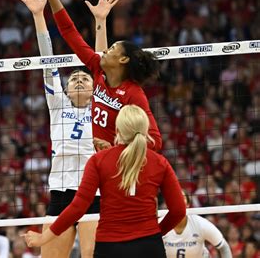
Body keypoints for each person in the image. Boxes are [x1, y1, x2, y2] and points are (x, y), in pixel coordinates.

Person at [33, 0, 162, 152]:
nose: (105, 51)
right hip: (99, 162)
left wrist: (116, 146)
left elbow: (155, 142)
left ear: (123, 60)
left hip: (120, 166)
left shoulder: (134, 94)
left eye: (112, 49)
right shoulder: (98, 69)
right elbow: (69, 31)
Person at [23, 105, 186, 257]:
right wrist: (156, 232)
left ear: (117, 129)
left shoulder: (98, 160)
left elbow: (78, 207)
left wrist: (43, 238)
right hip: (149, 246)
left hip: (110, 246)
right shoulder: (159, 162)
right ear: (146, 129)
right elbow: (179, 210)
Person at [17, 0, 98, 258]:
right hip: (61, 192)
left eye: (83, 77)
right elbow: (48, 62)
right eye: (73, 76)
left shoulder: (102, 107)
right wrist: (39, 14)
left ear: (94, 87)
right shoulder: (57, 103)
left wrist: (100, 22)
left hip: (94, 193)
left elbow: (102, 63)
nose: (77, 78)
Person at [163, 191, 232, 258]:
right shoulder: (160, 224)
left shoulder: (200, 223)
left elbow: (224, 247)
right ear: (169, 204)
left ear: (188, 204)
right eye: (175, 198)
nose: (178, 201)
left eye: (181, 198)